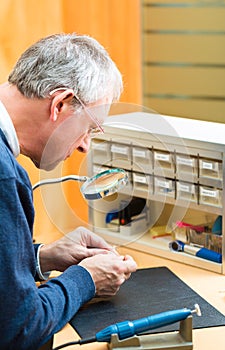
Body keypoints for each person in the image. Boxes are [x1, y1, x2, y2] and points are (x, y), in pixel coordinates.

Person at [0, 33, 137, 350]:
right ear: (60, 103)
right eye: (89, 127)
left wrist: (38, 257)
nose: (84, 145)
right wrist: (86, 279)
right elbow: (18, 328)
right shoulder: (5, 176)